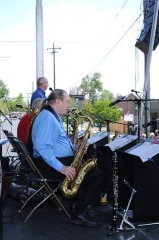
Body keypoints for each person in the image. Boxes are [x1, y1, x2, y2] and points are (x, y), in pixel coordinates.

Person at [31, 89, 104, 227]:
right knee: (96, 175)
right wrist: (62, 168)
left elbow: (54, 142)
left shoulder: (51, 116)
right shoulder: (48, 118)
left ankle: (78, 205)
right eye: (67, 102)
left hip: (52, 161)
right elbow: (43, 147)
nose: (68, 105)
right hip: (50, 165)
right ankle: (80, 212)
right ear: (58, 101)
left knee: (90, 173)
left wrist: (75, 148)